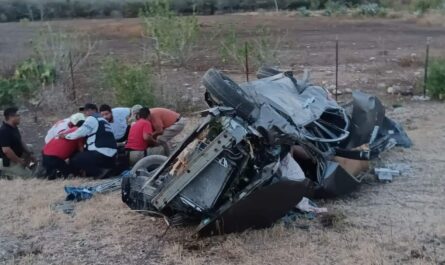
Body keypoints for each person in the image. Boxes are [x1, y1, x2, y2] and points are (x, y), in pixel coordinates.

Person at [60, 103, 117, 178]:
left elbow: (80, 132)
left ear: (92, 110)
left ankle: (99, 173)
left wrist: (66, 136)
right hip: (113, 156)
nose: (85, 113)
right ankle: (104, 170)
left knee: (76, 159)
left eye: (86, 111)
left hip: (101, 154)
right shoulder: (105, 121)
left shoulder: (92, 118)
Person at [41, 114, 86, 179]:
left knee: (51, 176)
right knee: (70, 175)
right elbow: (81, 150)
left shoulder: (67, 128)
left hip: (45, 153)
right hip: (53, 157)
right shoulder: (78, 131)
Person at [0, 107, 36, 178]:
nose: (20, 117)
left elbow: (20, 140)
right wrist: (19, 161)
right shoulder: (4, 131)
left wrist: (29, 154)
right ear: (11, 117)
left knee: (30, 147)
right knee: (29, 176)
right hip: (6, 160)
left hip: (16, 155)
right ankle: (5, 174)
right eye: (18, 115)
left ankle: (24, 167)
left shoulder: (13, 127)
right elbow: (6, 151)